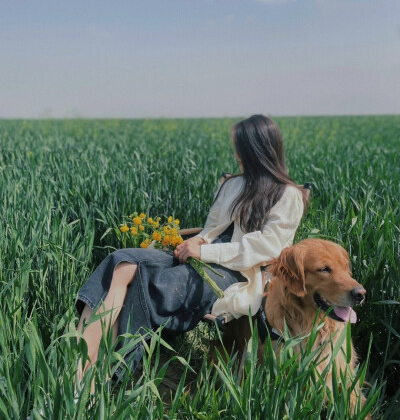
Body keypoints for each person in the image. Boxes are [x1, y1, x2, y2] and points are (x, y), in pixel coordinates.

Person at [75, 114, 308, 382]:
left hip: (237, 273)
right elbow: (211, 227)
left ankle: (94, 377)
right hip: (200, 256)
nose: (235, 155)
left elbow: (267, 248)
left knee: (140, 279)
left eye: (239, 149)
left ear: (257, 150)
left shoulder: (287, 195)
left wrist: (205, 252)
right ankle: (80, 369)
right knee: (121, 261)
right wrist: (200, 240)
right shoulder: (233, 184)